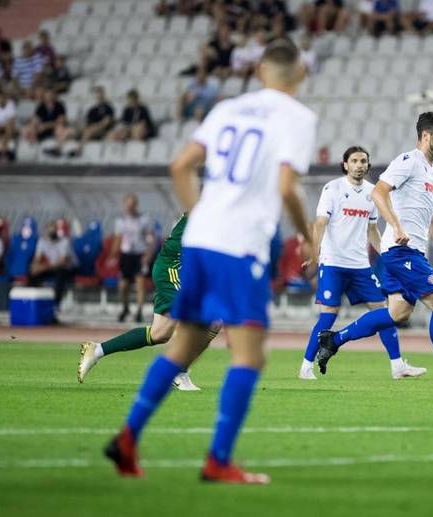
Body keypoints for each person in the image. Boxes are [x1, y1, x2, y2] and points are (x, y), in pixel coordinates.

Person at [104, 38, 317, 484]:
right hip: (241, 248)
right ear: (299, 74)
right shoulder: (297, 117)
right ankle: (218, 459)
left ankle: (127, 438)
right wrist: (305, 237)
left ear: (258, 71)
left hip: (199, 242)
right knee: (249, 354)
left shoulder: (226, 109)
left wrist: (203, 216)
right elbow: (284, 188)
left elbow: (180, 166)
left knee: (182, 345)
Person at [313, 112, 433, 393]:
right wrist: (396, 226)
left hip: (414, 252)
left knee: (397, 313)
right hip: (401, 251)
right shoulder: (408, 162)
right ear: (426, 136)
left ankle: (332, 341)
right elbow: (379, 193)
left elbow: (432, 220)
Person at [300, 145, 426, 380]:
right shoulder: (332, 189)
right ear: (345, 164)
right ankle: (306, 365)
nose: (359, 165)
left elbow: (372, 231)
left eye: (363, 161)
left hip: (360, 265)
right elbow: (320, 224)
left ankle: (397, 365)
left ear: (368, 165)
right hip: (333, 262)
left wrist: (388, 257)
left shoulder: (372, 193)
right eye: (354, 161)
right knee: (328, 315)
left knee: (385, 313)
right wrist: (315, 252)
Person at [78, 214, 219, 390]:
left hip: (188, 271)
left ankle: (97, 350)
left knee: (159, 334)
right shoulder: (211, 205)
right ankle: (177, 370)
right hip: (173, 267)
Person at [112, 194, 154, 323]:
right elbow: (118, 239)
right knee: (123, 285)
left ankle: (139, 311)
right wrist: (113, 255)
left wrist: (147, 255)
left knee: (140, 284)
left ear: (136, 205)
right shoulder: (120, 221)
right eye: (127, 204)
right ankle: (125, 308)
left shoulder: (143, 219)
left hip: (140, 254)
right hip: (126, 256)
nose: (130, 207)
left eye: (132, 204)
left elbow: (151, 239)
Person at [29, 221, 76, 317]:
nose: (52, 231)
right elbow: (37, 259)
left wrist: (42, 268)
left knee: (60, 274)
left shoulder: (64, 241)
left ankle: (55, 304)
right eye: (50, 229)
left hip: (69, 268)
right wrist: (34, 267)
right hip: (52, 267)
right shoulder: (42, 241)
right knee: (32, 274)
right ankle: (34, 301)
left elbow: (62, 262)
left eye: (54, 229)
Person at [63, 86, 115, 157]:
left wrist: (94, 126)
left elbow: (106, 122)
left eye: (100, 93)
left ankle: (78, 150)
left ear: (103, 94)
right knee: (70, 130)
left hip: (101, 131)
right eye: (97, 94)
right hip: (90, 129)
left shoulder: (108, 108)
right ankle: (58, 148)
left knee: (89, 130)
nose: (98, 96)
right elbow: (87, 122)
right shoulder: (92, 109)